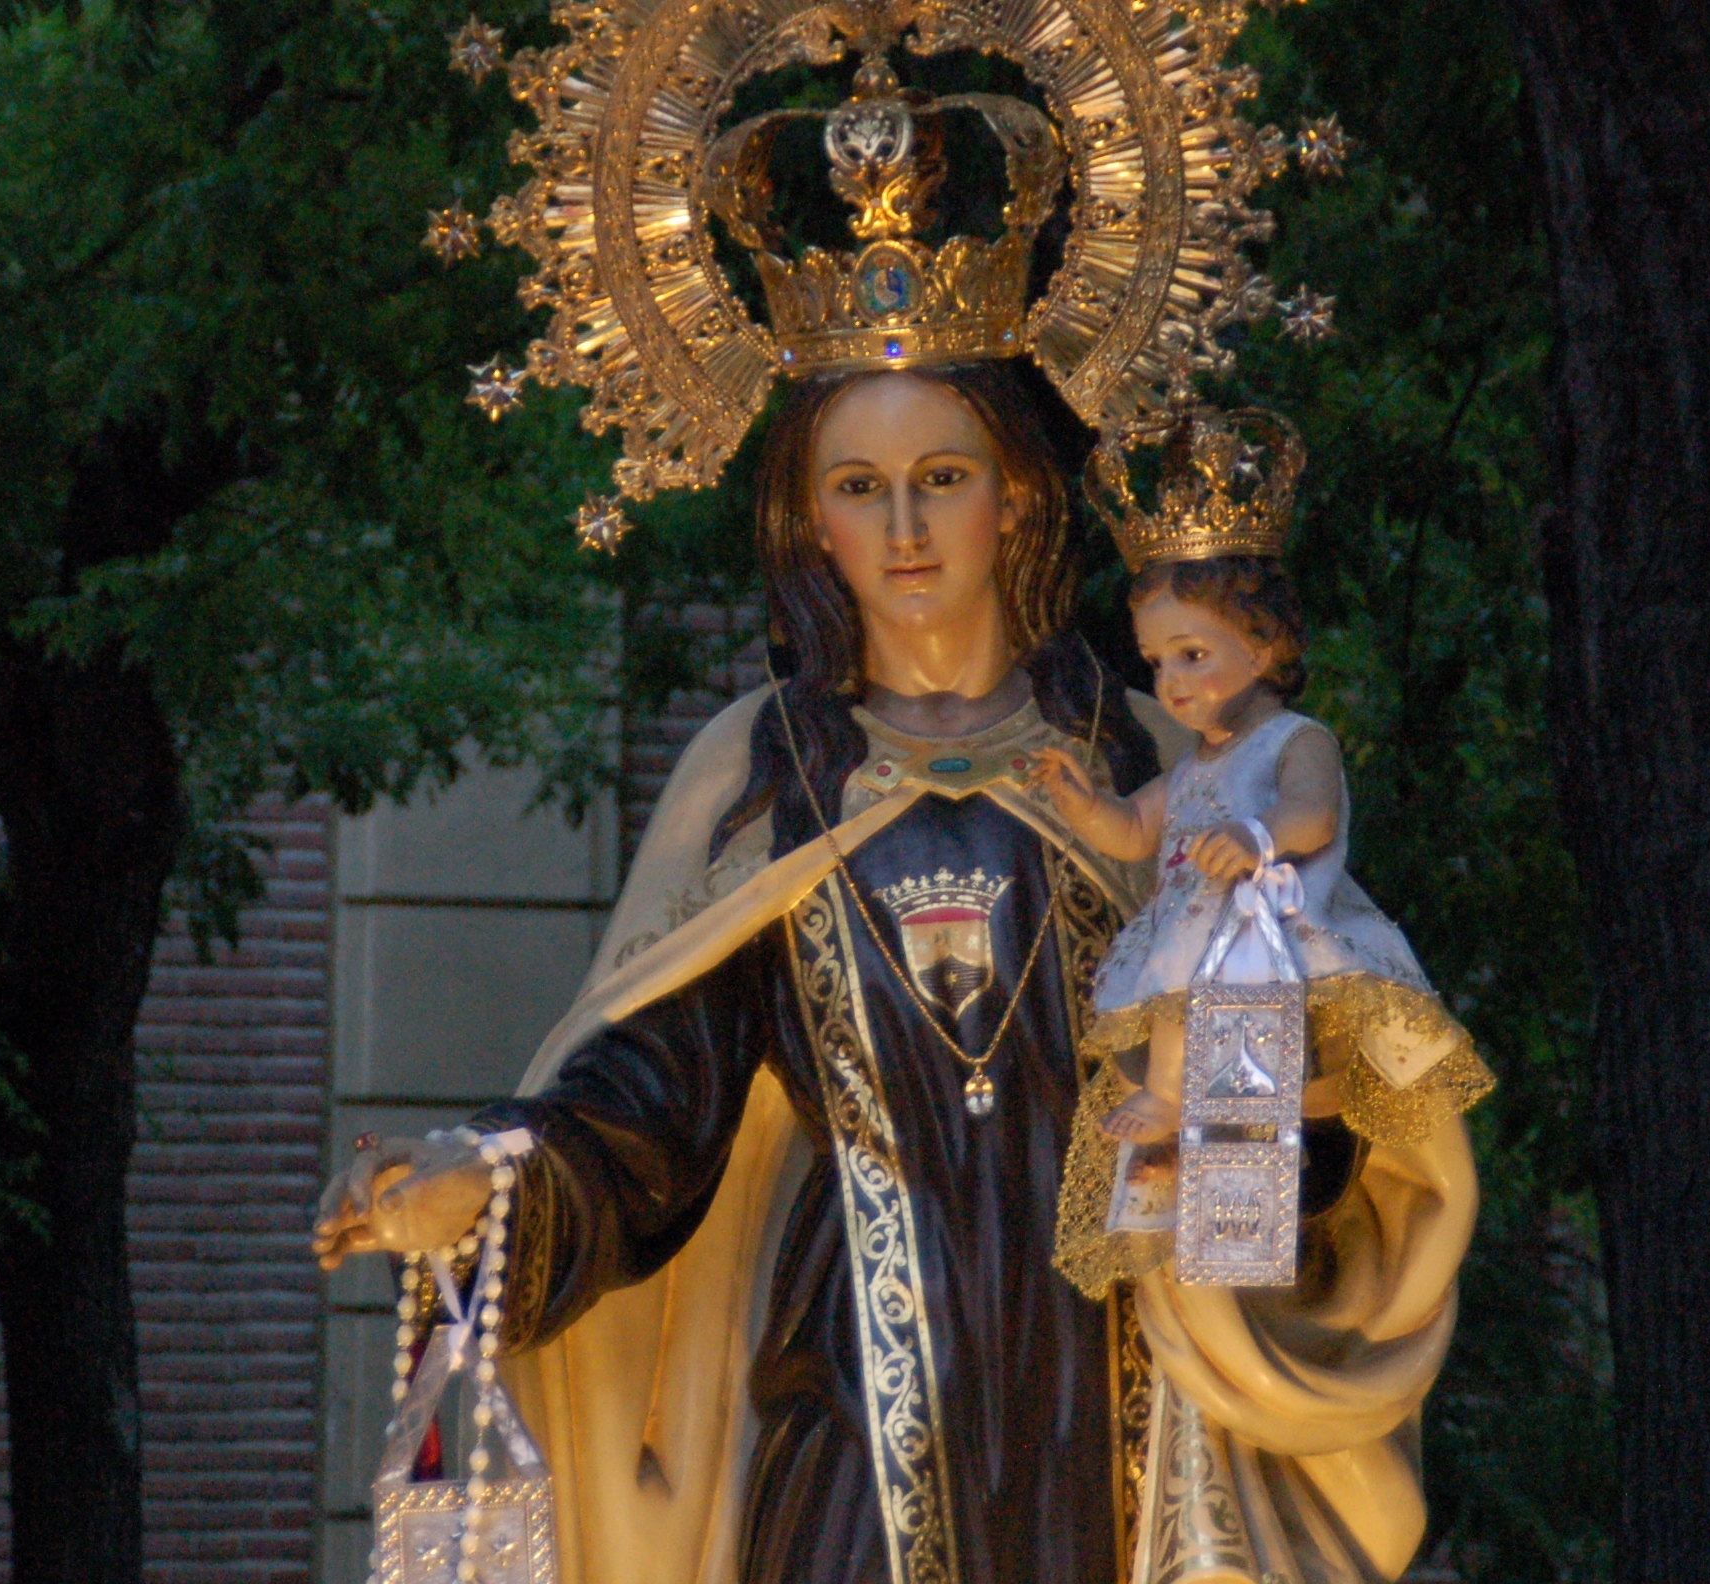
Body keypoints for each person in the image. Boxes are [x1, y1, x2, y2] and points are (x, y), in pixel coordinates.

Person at [314, 365, 1481, 1584]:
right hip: (851, 1375)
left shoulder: (1157, 759)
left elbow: (1306, 1025)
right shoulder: (762, 778)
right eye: (862, 488)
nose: (907, 529)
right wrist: (487, 1176)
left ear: (1017, 500)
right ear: (813, 522)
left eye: (942, 479)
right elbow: (650, 1101)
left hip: (1113, 1357)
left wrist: (1277, 1140)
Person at [1032, 411, 1488, 1280]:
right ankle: (1177, 1114)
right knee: (1169, 997)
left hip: (1274, 939)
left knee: (1215, 1003)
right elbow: (1132, 830)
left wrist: (1253, 833)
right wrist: (1077, 800)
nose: (1171, 684)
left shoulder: (1293, 740)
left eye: (1193, 654)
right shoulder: (1195, 763)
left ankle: (1197, 1116)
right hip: (1199, 935)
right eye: (1156, 662)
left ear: (1266, 646)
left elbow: (1312, 817)